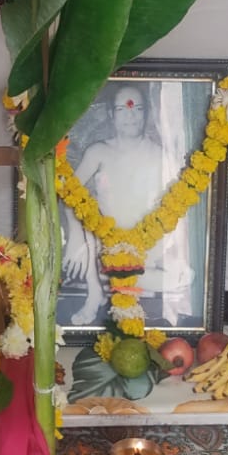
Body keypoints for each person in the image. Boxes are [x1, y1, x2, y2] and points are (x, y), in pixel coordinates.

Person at [61, 84, 194, 325]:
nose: (130, 116)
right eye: (122, 109)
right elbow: (69, 193)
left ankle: (113, 279)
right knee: (88, 221)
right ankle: (97, 289)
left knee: (183, 278)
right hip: (104, 246)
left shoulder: (159, 154)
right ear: (111, 114)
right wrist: (76, 238)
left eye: (137, 109)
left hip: (148, 247)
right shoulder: (98, 152)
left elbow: (177, 205)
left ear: (146, 114)